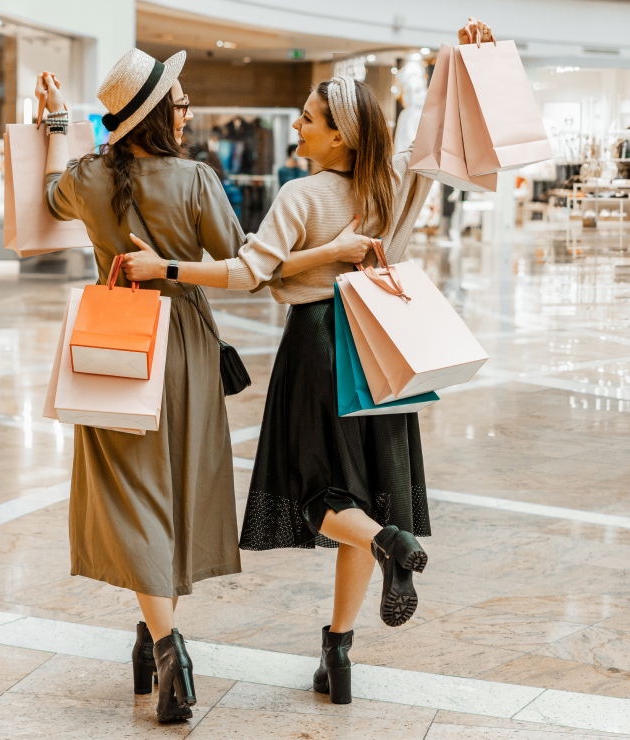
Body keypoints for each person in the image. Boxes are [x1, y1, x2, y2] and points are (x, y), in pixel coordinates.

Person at [123, 18, 494, 706]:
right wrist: (465, 61)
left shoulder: (301, 197)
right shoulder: (393, 187)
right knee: (363, 490)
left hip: (320, 345)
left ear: (341, 135)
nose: (297, 125)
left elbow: (246, 273)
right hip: (384, 350)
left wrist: (165, 266)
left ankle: (390, 543)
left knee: (317, 496)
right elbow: (438, 133)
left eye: (309, 118)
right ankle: (339, 653)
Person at [36, 48, 369, 723]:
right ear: (159, 116)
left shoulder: (88, 177)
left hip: (117, 349)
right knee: (175, 492)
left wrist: (54, 124)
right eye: (181, 103)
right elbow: (240, 260)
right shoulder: (195, 180)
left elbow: (47, 195)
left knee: (132, 497)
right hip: (184, 346)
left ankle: (161, 644)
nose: (188, 113)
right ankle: (161, 640)